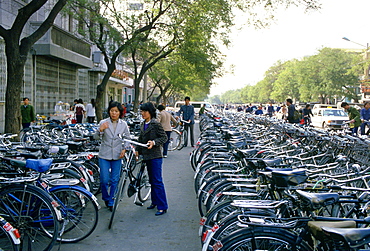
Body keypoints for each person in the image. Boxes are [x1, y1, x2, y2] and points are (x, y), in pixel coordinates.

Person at [96, 101, 131, 211]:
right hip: (104, 154)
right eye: (112, 111)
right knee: (104, 179)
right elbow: (95, 137)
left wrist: (124, 149)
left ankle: (111, 200)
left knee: (115, 179)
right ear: (109, 112)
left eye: (116, 111)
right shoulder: (103, 122)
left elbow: (128, 138)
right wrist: (100, 130)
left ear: (120, 112)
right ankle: (106, 197)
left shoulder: (123, 124)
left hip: (117, 154)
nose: (114, 113)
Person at [135, 102, 168, 216]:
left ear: (150, 112)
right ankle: (154, 202)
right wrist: (137, 149)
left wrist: (154, 142)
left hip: (155, 156)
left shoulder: (155, 124)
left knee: (157, 180)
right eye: (141, 111)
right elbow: (140, 138)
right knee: (151, 180)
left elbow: (164, 137)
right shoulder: (143, 123)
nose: (142, 113)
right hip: (146, 155)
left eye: (145, 111)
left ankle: (162, 206)